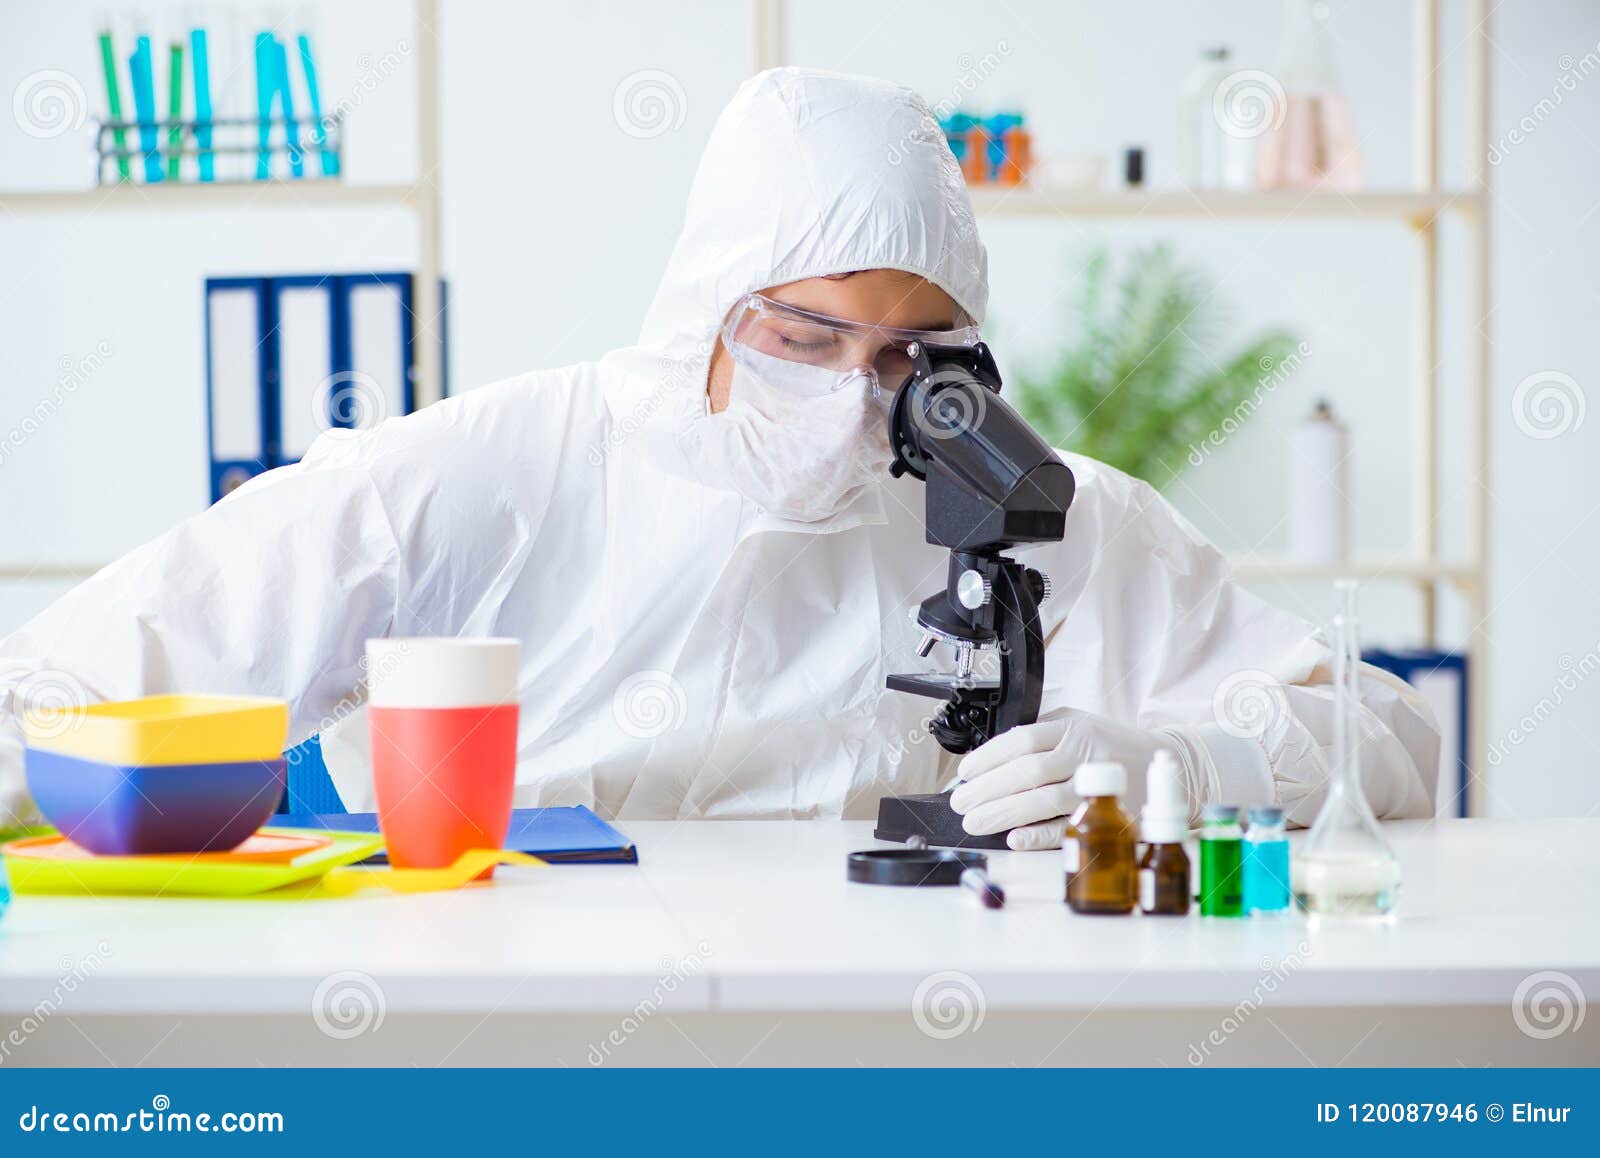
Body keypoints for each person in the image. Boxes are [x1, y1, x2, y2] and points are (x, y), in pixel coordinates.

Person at [0, 69, 1438, 848]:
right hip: (501, 1034)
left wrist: (1175, 756)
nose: (852, 398)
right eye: (806, 337)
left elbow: (1396, 744)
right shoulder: (481, 471)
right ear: (706, 302)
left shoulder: (1031, 513)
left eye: (908, 357)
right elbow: (65, 688)